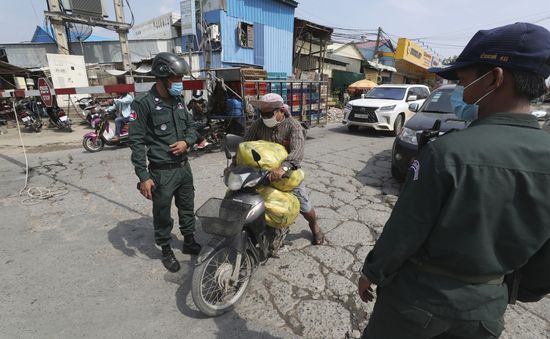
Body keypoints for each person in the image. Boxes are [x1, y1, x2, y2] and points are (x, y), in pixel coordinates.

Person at [358, 22, 550, 339]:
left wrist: (373, 271)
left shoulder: (446, 152)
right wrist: (506, 291)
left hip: (415, 305)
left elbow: (406, 228)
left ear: (495, 78)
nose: (459, 92)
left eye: (463, 81)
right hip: (486, 313)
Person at [129, 52, 201, 273]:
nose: (180, 83)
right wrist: (144, 177)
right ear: (161, 77)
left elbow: (192, 128)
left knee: (187, 206)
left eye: (180, 78)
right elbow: (136, 141)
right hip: (161, 172)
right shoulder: (143, 103)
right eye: (176, 79)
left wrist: (186, 142)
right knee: (162, 212)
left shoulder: (178, 101)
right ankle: (166, 248)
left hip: (183, 168)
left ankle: (188, 240)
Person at [245, 93, 324, 247]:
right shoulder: (258, 125)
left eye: (269, 114)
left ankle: (314, 226)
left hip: (288, 173)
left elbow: (298, 151)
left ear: (281, 111)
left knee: (304, 206)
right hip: (261, 172)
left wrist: (283, 167)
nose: (265, 117)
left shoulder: (293, 125)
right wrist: (235, 163)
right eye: (262, 114)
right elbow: (246, 145)